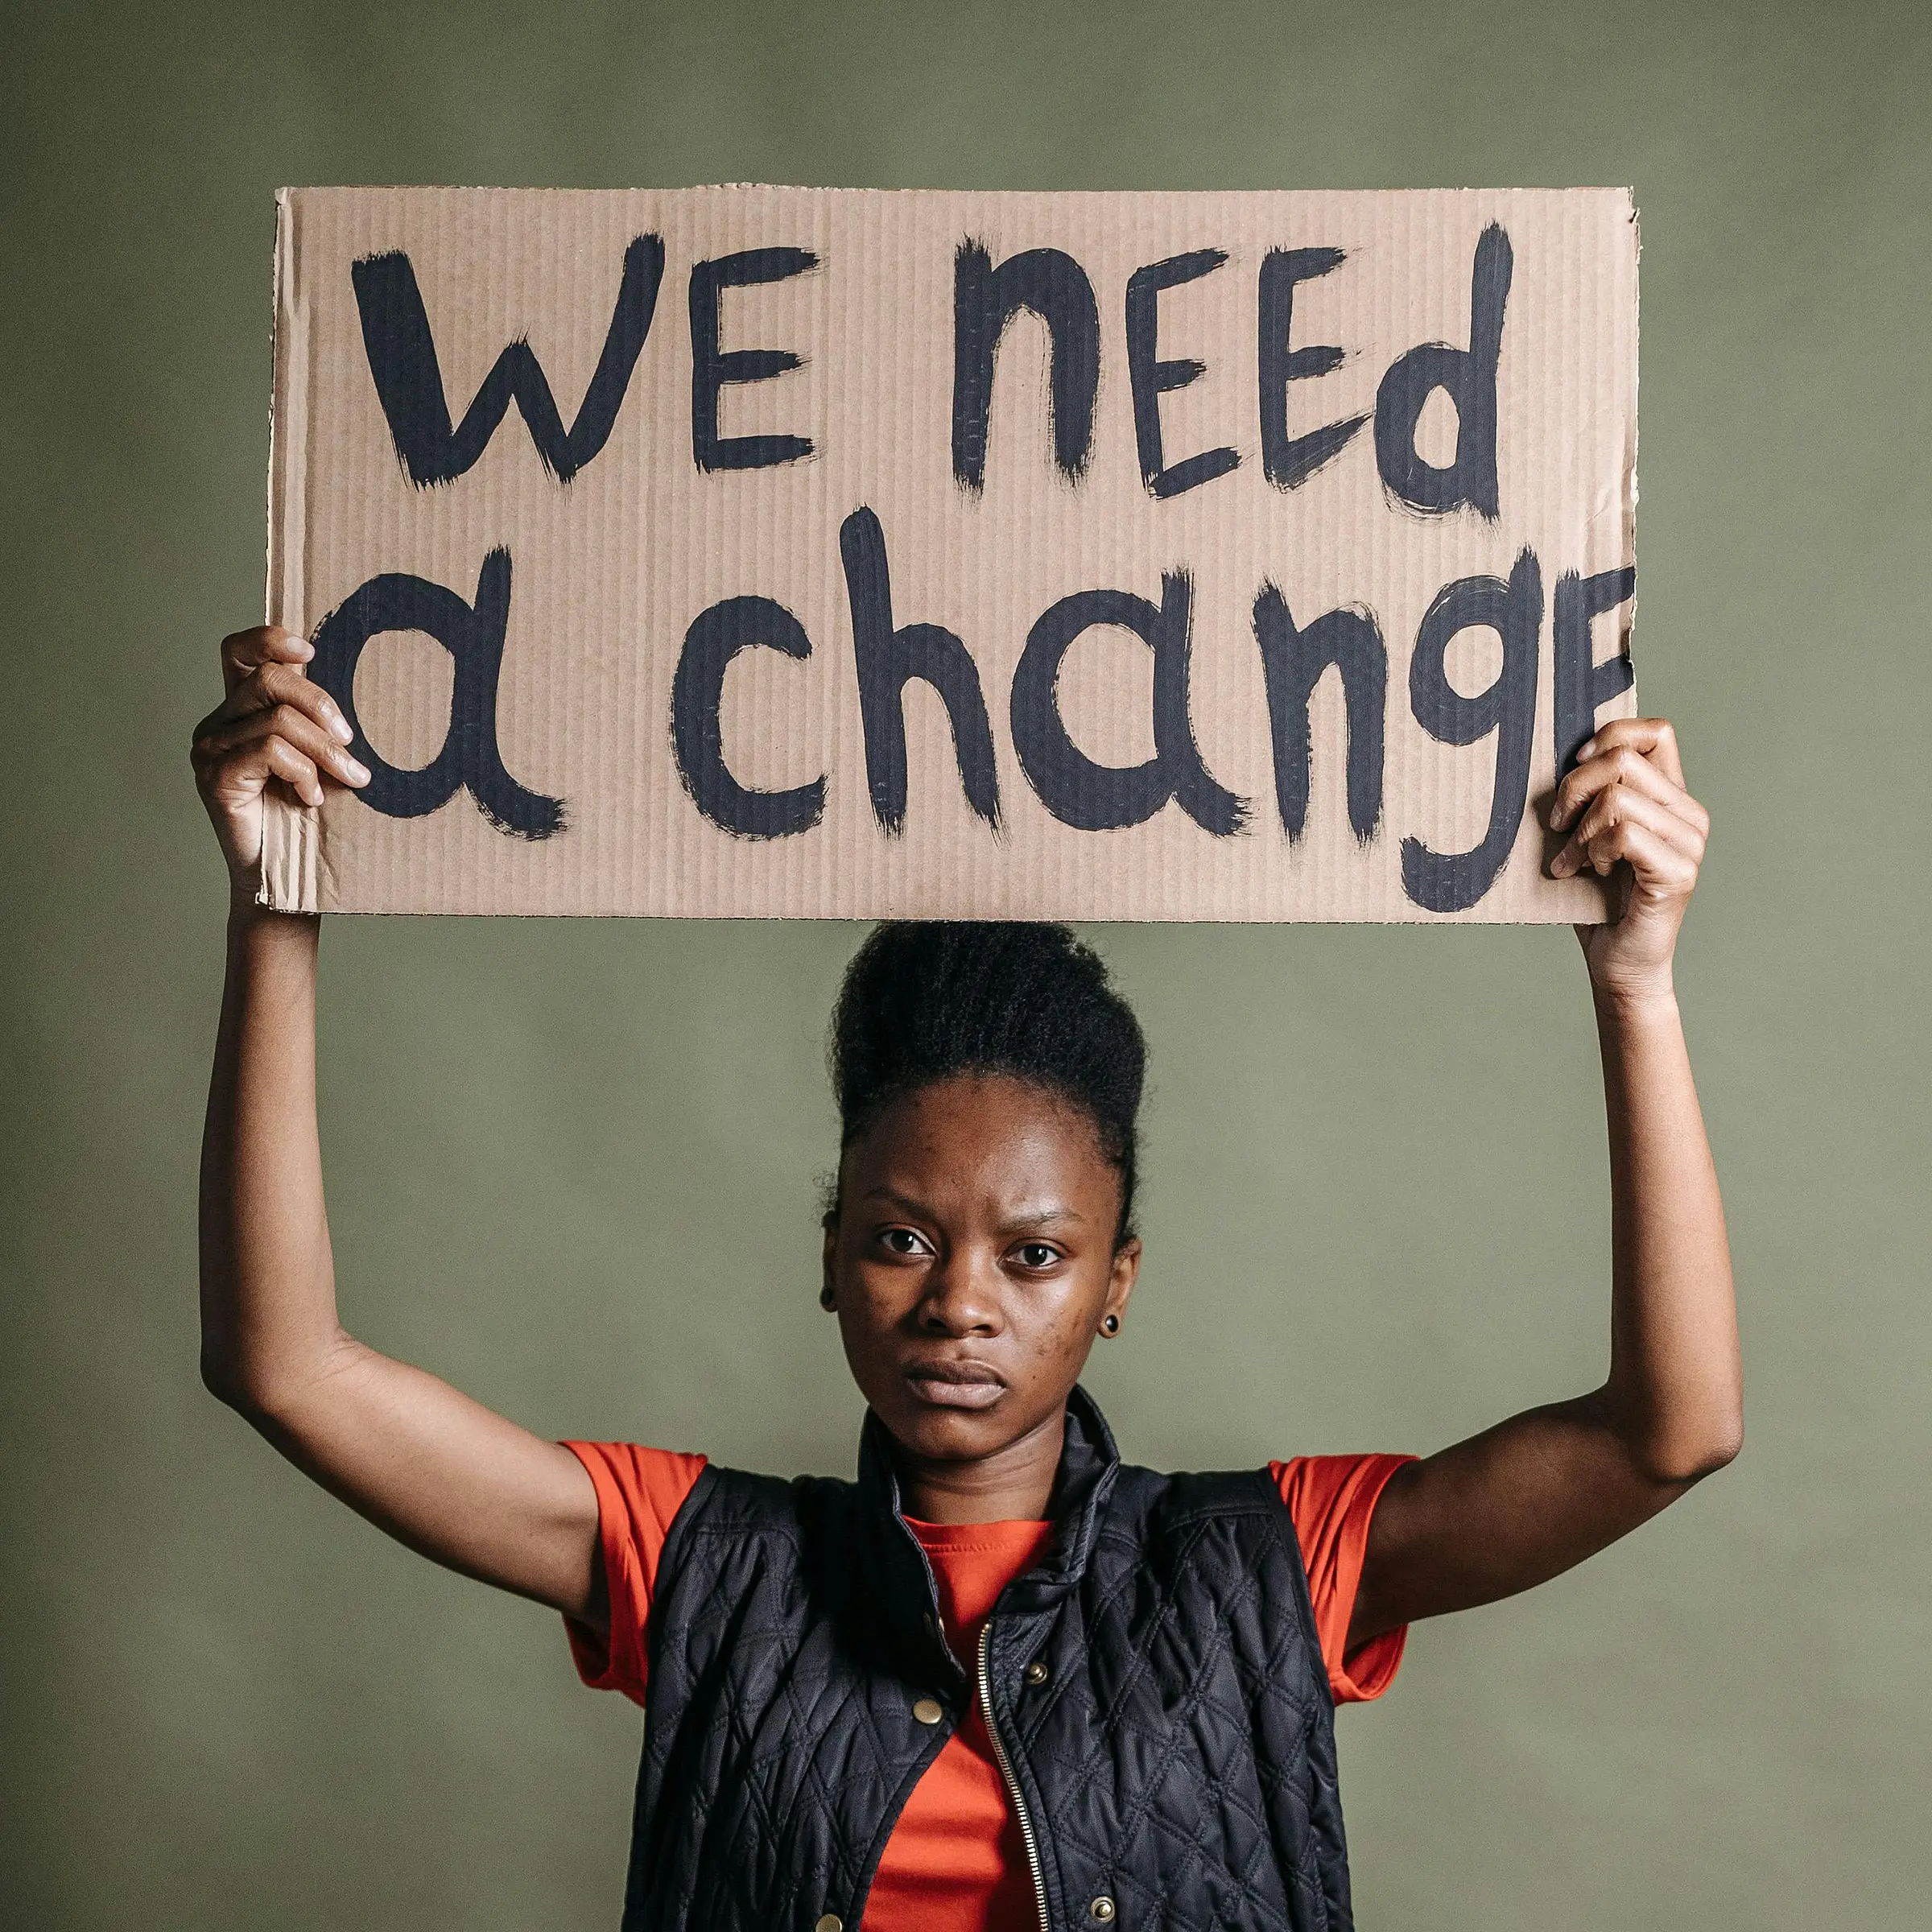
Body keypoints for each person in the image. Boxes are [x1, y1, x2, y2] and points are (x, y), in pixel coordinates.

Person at [192, 622, 1738, 1932]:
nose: (961, 1304)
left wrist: (1637, 981)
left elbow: (1667, 1433)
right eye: (901, 1237)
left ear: (1116, 1279)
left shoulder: (1270, 1569)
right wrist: (279, 904)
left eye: (1038, 1253)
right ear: (831, 1255)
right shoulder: (703, 1567)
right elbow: (290, 1367)